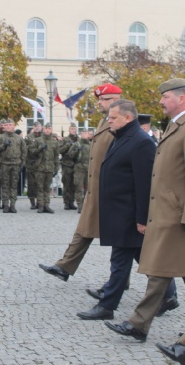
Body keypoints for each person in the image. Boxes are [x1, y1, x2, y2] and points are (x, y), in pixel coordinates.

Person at [105, 78, 185, 351]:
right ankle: (139, 325)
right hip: (166, 216)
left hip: (178, 217)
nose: (161, 102)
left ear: (181, 99)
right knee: (160, 272)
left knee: (162, 270)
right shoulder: (175, 126)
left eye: (166, 97)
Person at [76, 99, 164, 320]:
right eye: (109, 117)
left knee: (119, 261)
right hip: (119, 212)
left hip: (129, 214)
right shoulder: (122, 137)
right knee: (142, 257)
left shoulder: (141, 142)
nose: (109, 121)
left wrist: (142, 218)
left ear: (128, 117)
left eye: (113, 118)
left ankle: (107, 306)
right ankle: (168, 295)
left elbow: (145, 184)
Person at [38, 83, 121, 278]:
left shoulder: (121, 123)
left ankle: (164, 291)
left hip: (110, 189)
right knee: (84, 229)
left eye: (104, 99)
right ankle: (65, 266)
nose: (99, 102)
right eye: (99, 99)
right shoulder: (104, 121)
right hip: (96, 187)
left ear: (116, 100)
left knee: (125, 243)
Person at [0, 118, 27, 213]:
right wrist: (3, 145)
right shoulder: (1, 138)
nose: (8, 126)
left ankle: (13, 205)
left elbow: (24, 151)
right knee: (5, 185)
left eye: (10, 125)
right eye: (7, 125)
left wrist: (22, 163)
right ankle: (6, 204)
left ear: (14, 126)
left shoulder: (18, 138)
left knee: (14, 185)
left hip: (15, 164)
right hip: (5, 164)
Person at [28, 122, 59, 214]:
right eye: (46, 128)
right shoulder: (38, 140)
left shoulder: (54, 142)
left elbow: (56, 156)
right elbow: (31, 151)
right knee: (40, 187)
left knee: (47, 188)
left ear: (51, 130)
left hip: (49, 168)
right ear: (43, 129)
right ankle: (41, 205)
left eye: (49, 128)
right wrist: (39, 149)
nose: (47, 130)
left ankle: (47, 205)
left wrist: (56, 168)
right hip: (40, 167)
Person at [68, 129, 91, 213]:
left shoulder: (91, 145)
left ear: (89, 135)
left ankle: (87, 205)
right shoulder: (76, 144)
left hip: (89, 168)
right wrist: (77, 150)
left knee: (89, 189)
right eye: (83, 133)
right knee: (78, 187)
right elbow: (70, 155)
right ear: (81, 134)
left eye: (86, 133)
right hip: (79, 168)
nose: (85, 134)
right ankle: (80, 206)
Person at [59, 122, 78, 210]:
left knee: (74, 185)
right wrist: (67, 145)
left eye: (74, 129)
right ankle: (66, 202)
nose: (73, 130)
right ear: (69, 130)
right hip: (66, 164)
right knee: (66, 184)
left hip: (76, 165)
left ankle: (72, 202)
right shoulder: (65, 139)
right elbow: (60, 150)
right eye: (71, 129)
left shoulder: (78, 140)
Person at [25, 121, 43, 209]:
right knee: (31, 184)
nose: (37, 128)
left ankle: (40, 202)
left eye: (38, 126)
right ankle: (32, 201)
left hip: (41, 163)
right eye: (35, 126)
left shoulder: (43, 137)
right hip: (31, 163)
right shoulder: (29, 137)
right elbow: (26, 148)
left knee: (40, 184)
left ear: (41, 127)